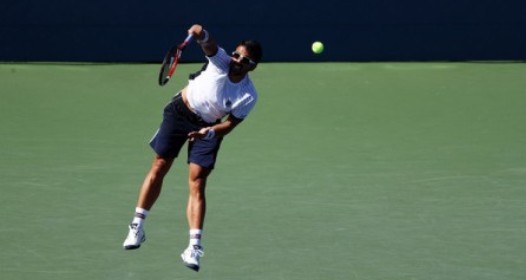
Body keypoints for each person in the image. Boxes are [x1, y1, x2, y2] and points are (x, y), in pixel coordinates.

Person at [122, 24, 262, 272]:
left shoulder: (248, 94)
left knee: (197, 182)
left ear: (252, 66)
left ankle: (193, 247)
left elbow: (229, 124)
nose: (238, 60)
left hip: (207, 127)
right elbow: (209, 45)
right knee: (160, 165)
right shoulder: (220, 61)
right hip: (179, 113)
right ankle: (137, 226)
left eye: (245, 59)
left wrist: (208, 131)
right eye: (237, 54)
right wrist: (201, 34)